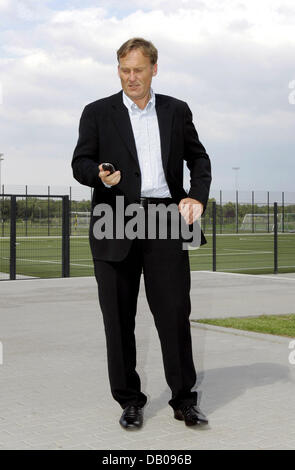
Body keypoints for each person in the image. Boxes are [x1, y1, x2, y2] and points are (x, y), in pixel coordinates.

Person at [72, 37, 212, 429]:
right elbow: (79, 162)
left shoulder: (176, 110)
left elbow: (199, 159)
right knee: (118, 319)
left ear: (154, 68)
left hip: (166, 216)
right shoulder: (96, 112)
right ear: (118, 69)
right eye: (124, 69)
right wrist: (98, 173)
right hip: (114, 216)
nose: (131, 77)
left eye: (138, 69)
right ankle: (129, 401)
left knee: (174, 315)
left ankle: (184, 400)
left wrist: (197, 198)